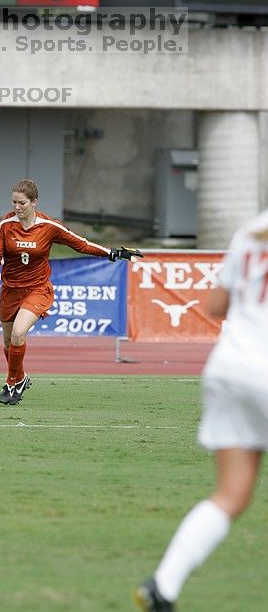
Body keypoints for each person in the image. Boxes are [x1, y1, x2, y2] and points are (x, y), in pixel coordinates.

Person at [134, 208, 268, 612]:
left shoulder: (253, 228)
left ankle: (163, 586)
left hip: (230, 366)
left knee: (230, 495)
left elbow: (216, 303)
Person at [0, 178, 143, 406]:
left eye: (22, 203)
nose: (16, 207)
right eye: (14, 202)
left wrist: (112, 253)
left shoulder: (49, 226)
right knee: (8, 343)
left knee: (18, 334)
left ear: (34, 202)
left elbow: (80, 243)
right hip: (10, 290)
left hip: (37, 289)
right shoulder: (6, 225)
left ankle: (11, 382)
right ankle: (21, 378)